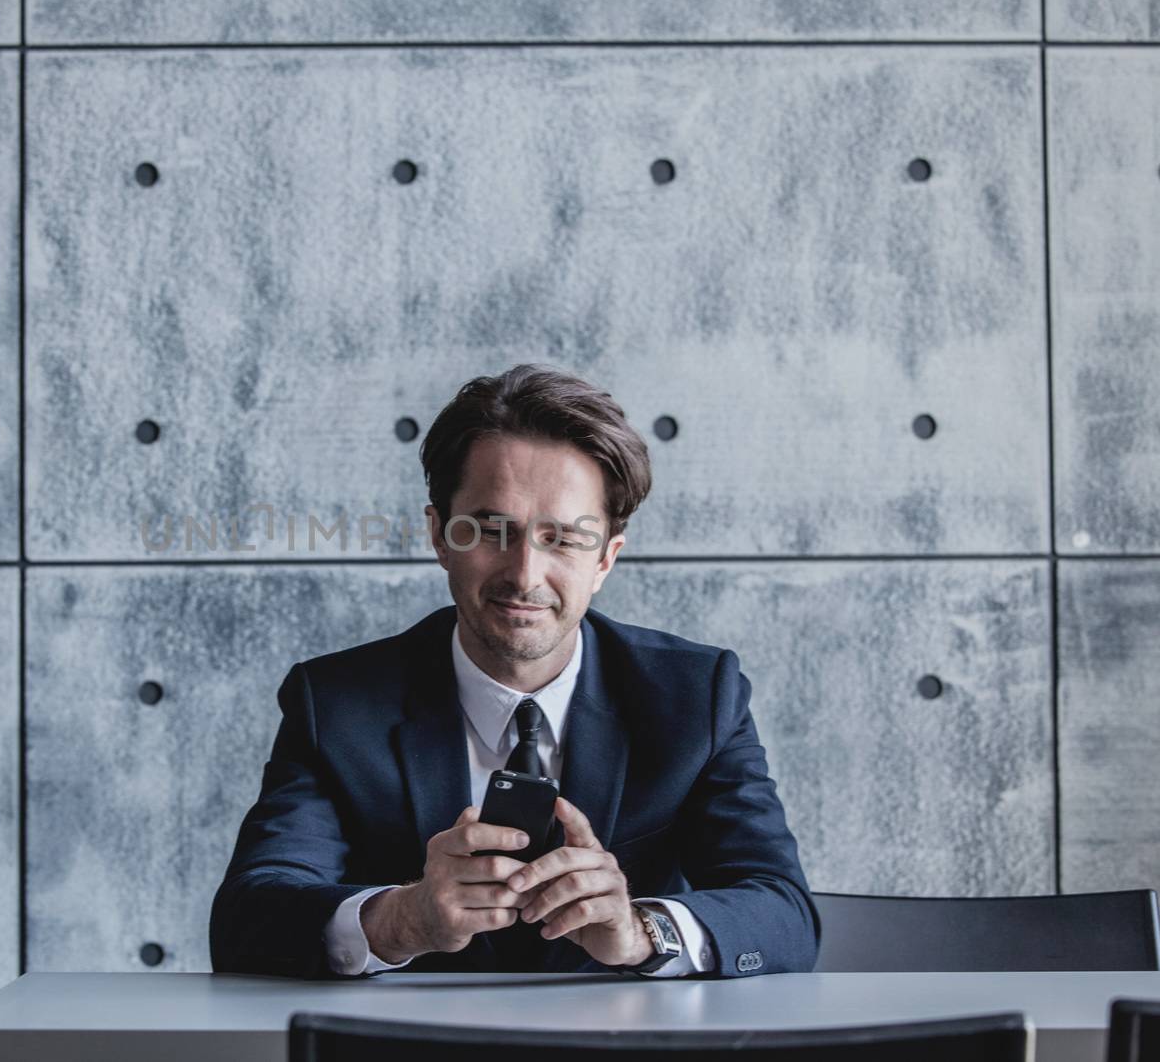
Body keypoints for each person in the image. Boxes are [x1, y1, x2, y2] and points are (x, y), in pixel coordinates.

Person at [209, 363, 819, 978]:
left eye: (564, 539)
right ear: (440, 536)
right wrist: (403, 919)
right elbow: (248, 917)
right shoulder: (335, 704)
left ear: (606, 558)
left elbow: (783, 912)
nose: (525, 574)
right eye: (493, 530)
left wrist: (641, 931)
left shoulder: (697, 696)